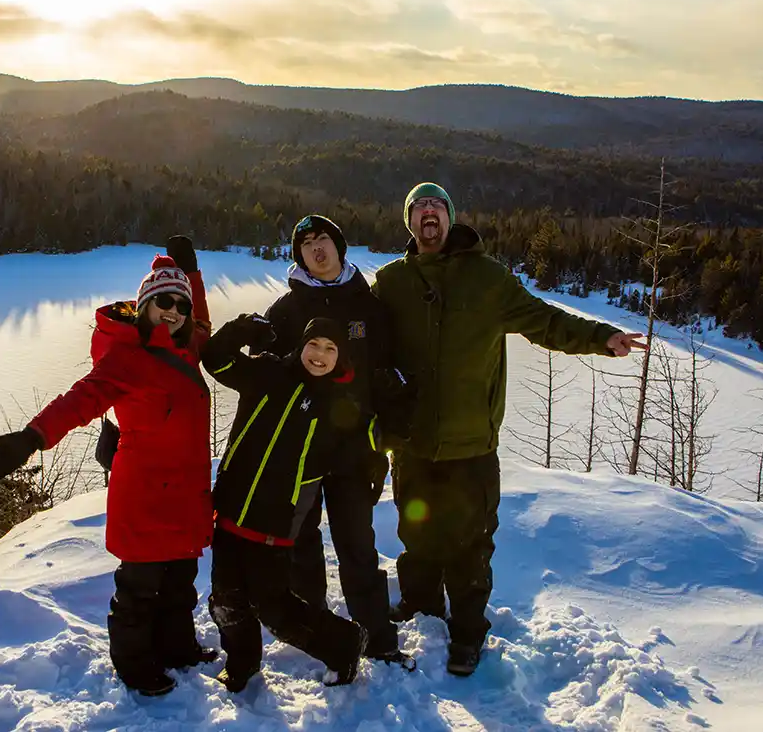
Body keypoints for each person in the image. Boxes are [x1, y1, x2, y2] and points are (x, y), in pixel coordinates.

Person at [371, 183, 646, 677]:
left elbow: (543, 320)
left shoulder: (488, 279)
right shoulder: (390, 282)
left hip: (471, 443)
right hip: (412, 443)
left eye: (437, 206)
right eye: (419, 208)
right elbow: (360, 340)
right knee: (416, 531)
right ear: (409, 223)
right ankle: (421, 605)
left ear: (450, 219)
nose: (428, 213)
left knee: (470, 543)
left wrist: (601, 337)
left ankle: (468, 633)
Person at [0, 237, 216, 698]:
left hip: (185, 490)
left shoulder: (187, 345)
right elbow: (79, 401)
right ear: (143, 306)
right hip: (146, 492)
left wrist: (192, 276)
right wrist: (32, 439)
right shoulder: (126, 359)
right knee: (139, 590)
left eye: (178, 304)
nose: (173, 311)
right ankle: (133, 664)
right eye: (162, 302)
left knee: (180, 583)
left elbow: (199, 317)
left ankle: (178, 647)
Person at [262, 214, 414, 670]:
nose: (316, 248)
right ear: (299, 256)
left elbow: (394, 376)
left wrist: (387, 441)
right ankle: (319, 635)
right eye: (305, 243)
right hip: (301, 453)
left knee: (357, 546)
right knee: (301, 547)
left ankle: (379, 638)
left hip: (355, 451)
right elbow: (265, 382)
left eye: (322, 238)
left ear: (339, 246)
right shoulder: (285, 311)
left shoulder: (369, 306)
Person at [201, 314, 371, 692]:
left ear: (340, 357)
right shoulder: (267, 373)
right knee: (227, 601)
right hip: (230, 510)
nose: (320, 354)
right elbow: (215, 358)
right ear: (302, 345)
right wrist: (241, 328)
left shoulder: (338, 406)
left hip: (276, 521)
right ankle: (242, 665)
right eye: (314, 344)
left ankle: (343, 643)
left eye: (330, 349)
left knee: (275, 609)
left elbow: (362, 447)